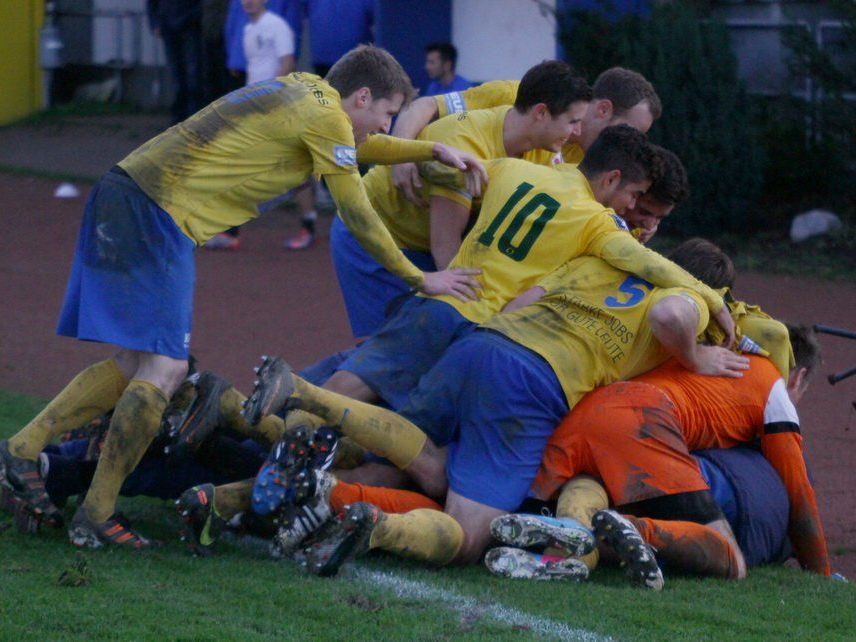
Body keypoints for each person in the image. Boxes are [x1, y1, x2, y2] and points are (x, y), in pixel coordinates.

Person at [0, 45, 489, 549]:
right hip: (157, 212)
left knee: (135, 366)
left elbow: (360, 149)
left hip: (129, 193)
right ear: (361, 96)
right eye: (386, 116)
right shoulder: (327, 119)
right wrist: (419, 278)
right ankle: (94, 511)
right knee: (165, 371)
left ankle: (25, 451)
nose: (386, 129)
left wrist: (428, 150)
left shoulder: (306, 90)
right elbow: (358, 213)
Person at [247, 239, 747, 577]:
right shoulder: (690, 293)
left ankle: (306, 471)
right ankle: (378, 528)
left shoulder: (600, 263)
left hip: (479, 345)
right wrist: (698, 353)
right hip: (528, 381)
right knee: (469, 537)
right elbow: (668, 315)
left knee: (408, 469)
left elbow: (518, 304)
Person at [489, 320, 829, 583]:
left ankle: (551, 555)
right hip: (642, 419)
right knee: (731, 560)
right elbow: (800, 496)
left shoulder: (692, 355)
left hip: (581, 419)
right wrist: (822, 574)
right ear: (797, 378)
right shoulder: (773, 384)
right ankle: (633, 529)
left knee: (533, 513)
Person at [332, 60, 591, 338]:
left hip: (422, 238)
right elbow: (446, 249)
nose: (577, 132)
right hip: (377, 231)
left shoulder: (543, 147)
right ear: (541, 113)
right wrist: (487, 315)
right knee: (388, 352)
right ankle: (308, 381)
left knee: (429, 342)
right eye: (573, 122)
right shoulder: (467, 141)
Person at [390, 67, 661, 205]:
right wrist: (400, 158)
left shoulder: (593, 159)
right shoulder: (520, 96)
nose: (630, 143)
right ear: (603, 109)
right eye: (629, 130)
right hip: (391, 211)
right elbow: (423, 106)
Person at [206, 0, 298, 251]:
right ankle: (230, 230)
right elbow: (255, 71)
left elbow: (287, 62)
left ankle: (309, 218)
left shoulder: (277, 26)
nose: (247, 1)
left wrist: (273, 100)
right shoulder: (247, 30)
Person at [147, 0, 204, 124]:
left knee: (192, 74)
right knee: (177, 75)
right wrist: (155, 23)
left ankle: (192, 115)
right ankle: (180, 116)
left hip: (190, 25)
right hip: (169, 25)